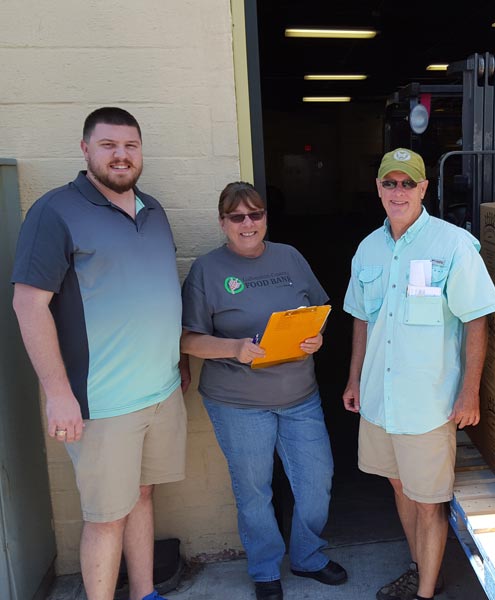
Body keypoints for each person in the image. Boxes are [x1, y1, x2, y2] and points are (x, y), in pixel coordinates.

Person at [11, 107, 189, 600]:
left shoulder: (153, 210)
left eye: (130, 145)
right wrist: (58, 394)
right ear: (85, 149)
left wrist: (179, 367)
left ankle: (145, 592)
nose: (121, 155)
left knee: (143, 497)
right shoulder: (54, 211)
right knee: (106, 517)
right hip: (101, 404)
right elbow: (28, 304)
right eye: (108, 145)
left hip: (160, 392)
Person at [342, 148, 495, 600]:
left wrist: (469, 392)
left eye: (407, 183)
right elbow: (361, 320)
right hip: (378, 400)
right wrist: (354, 380)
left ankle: (424, 593)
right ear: (378, 188)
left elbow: (476, 319)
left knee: (430, 503)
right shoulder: (367, 248)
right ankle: (420, 570)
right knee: (400, 487)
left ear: (424, 189)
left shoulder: (452, 245)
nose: (398, 191)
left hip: (427, 403)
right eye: (389, 183)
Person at [180, 181, 346, 600]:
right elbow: (187, 338)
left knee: (316, 480)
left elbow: (319, 311)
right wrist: (234, 348)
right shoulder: (207, 269)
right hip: (238, 402)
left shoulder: (289, 256)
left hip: (299, 396)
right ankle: (265, 568)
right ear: (223, 223)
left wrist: (317, 337)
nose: (248, 223)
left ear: (265, 218)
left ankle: (308, 556)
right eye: (237, 217)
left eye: (255, 214)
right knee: (254, 489)